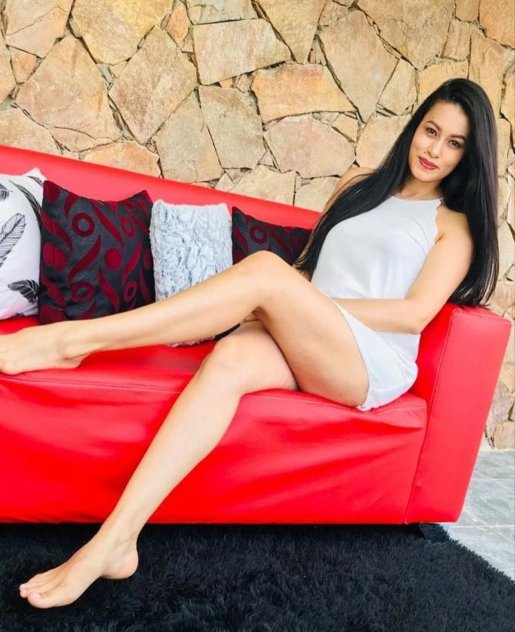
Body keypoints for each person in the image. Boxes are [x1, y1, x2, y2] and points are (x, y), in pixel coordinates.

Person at [4, 77, 497, 608]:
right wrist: (272, 309)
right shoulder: (360, 185)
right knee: (230, 358)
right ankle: (116, 540)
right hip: (315, 336)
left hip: (369, 360)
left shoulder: (453, 227)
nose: (434, 150)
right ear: (415, 126)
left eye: (454, 143)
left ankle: (72, 341)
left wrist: (294, 302)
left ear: (468, 156)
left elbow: (414, 314)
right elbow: (310, 270)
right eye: (431, 131)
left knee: (265, 270)